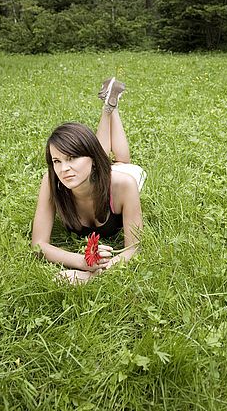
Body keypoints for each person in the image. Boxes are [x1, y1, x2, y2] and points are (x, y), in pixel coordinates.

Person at [31, 77, 145, 284]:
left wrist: (91, 276)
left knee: (120, 161)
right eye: (57, 160)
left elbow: (133, 249)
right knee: (98, 158)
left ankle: (111, 110)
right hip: (95, 168)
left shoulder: (125, 185)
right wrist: (82, 261)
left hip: (121, 176)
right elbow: (39, 244)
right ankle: (110, 106)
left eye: (72, 158)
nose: (64, 169)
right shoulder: (51, 182)